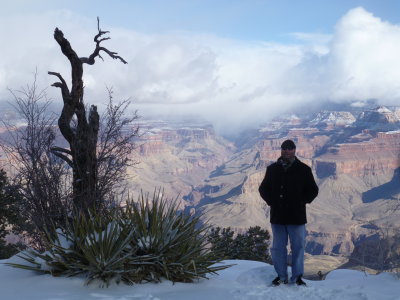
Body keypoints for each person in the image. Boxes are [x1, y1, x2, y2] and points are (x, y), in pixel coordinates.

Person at [259, 139, 318, 286]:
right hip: (278, 216)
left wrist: (301, 201)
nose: (287, 150)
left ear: (294, 150)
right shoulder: (272, 169)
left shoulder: (304, 170)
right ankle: (281, 276)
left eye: (290, 148)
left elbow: (313, 190)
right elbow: (263, 189)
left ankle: (297, 277)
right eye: (284, 148)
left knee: (298, 247)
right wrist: (271, 201)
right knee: (278, 248)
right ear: (281, 150)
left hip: (296, 217)